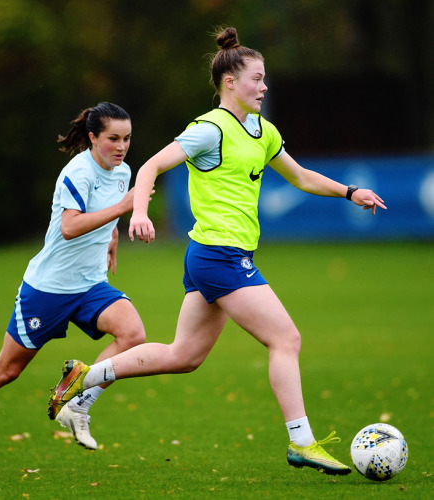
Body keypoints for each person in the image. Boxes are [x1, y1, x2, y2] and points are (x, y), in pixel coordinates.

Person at [47, 28, 387, 475]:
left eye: (265, 79)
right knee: (286, 339)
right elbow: (151, 165)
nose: (264, 87)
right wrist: (141, 213)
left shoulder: (263, 132)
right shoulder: (210, 129)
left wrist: (350, 191)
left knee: (183, 356)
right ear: (231, 82)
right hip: (220, 257)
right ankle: (301, 441)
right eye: (257, 78)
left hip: (217, 257)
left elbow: (301, 177)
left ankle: (86, 376)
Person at [0, 102, 148, 473]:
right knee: (6, 370)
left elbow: (108, 207)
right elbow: (70, 226)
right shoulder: (77, 172)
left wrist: (112, 234)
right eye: (113, 138)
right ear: (93, 137)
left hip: (91, 284)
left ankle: (77, 406)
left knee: (132, 335)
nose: (121, 146)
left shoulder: (121, 170)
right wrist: (121, 210)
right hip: (48, 289)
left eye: (127, 138)